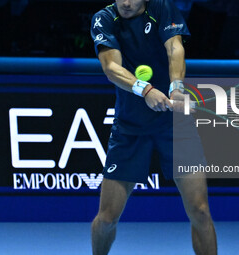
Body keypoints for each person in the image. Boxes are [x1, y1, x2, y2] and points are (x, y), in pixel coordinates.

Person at [90, 0, 217, 254]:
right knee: (107, 218)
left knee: (201, 212)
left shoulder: (162, 9)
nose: (126, 3)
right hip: (130, 127)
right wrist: (145, 90)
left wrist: (177, 88)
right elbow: (111, 67)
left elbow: (175, 48)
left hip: (175, 125)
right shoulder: (104, 19)